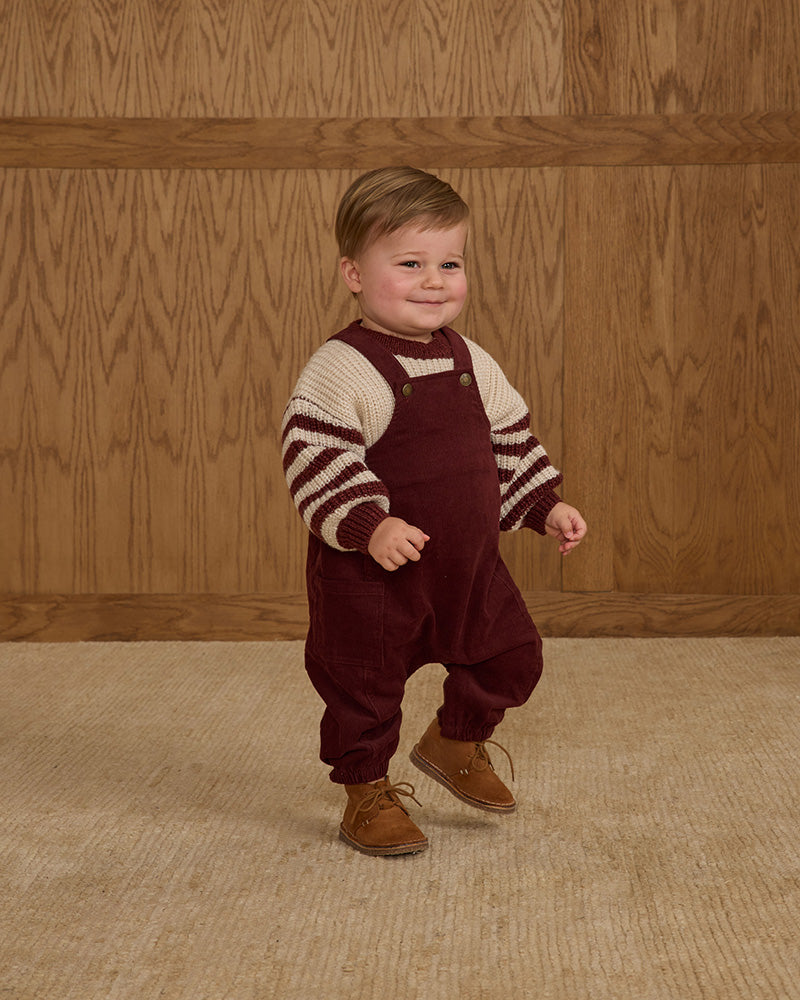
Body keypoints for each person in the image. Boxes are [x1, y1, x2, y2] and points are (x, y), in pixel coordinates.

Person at [281, 166, 586, 856]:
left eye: (450, 263)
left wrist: (543, 505)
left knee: (512, 654)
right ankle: (365, 792)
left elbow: (508, 438)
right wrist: (369, 523)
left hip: (467, 564)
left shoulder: (469, 358)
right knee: (365, 689)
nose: (434, 280)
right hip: (375, 577)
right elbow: (314, 454)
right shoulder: (344, 367)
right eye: (410, 263)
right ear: (354, 273)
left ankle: (454, 741)